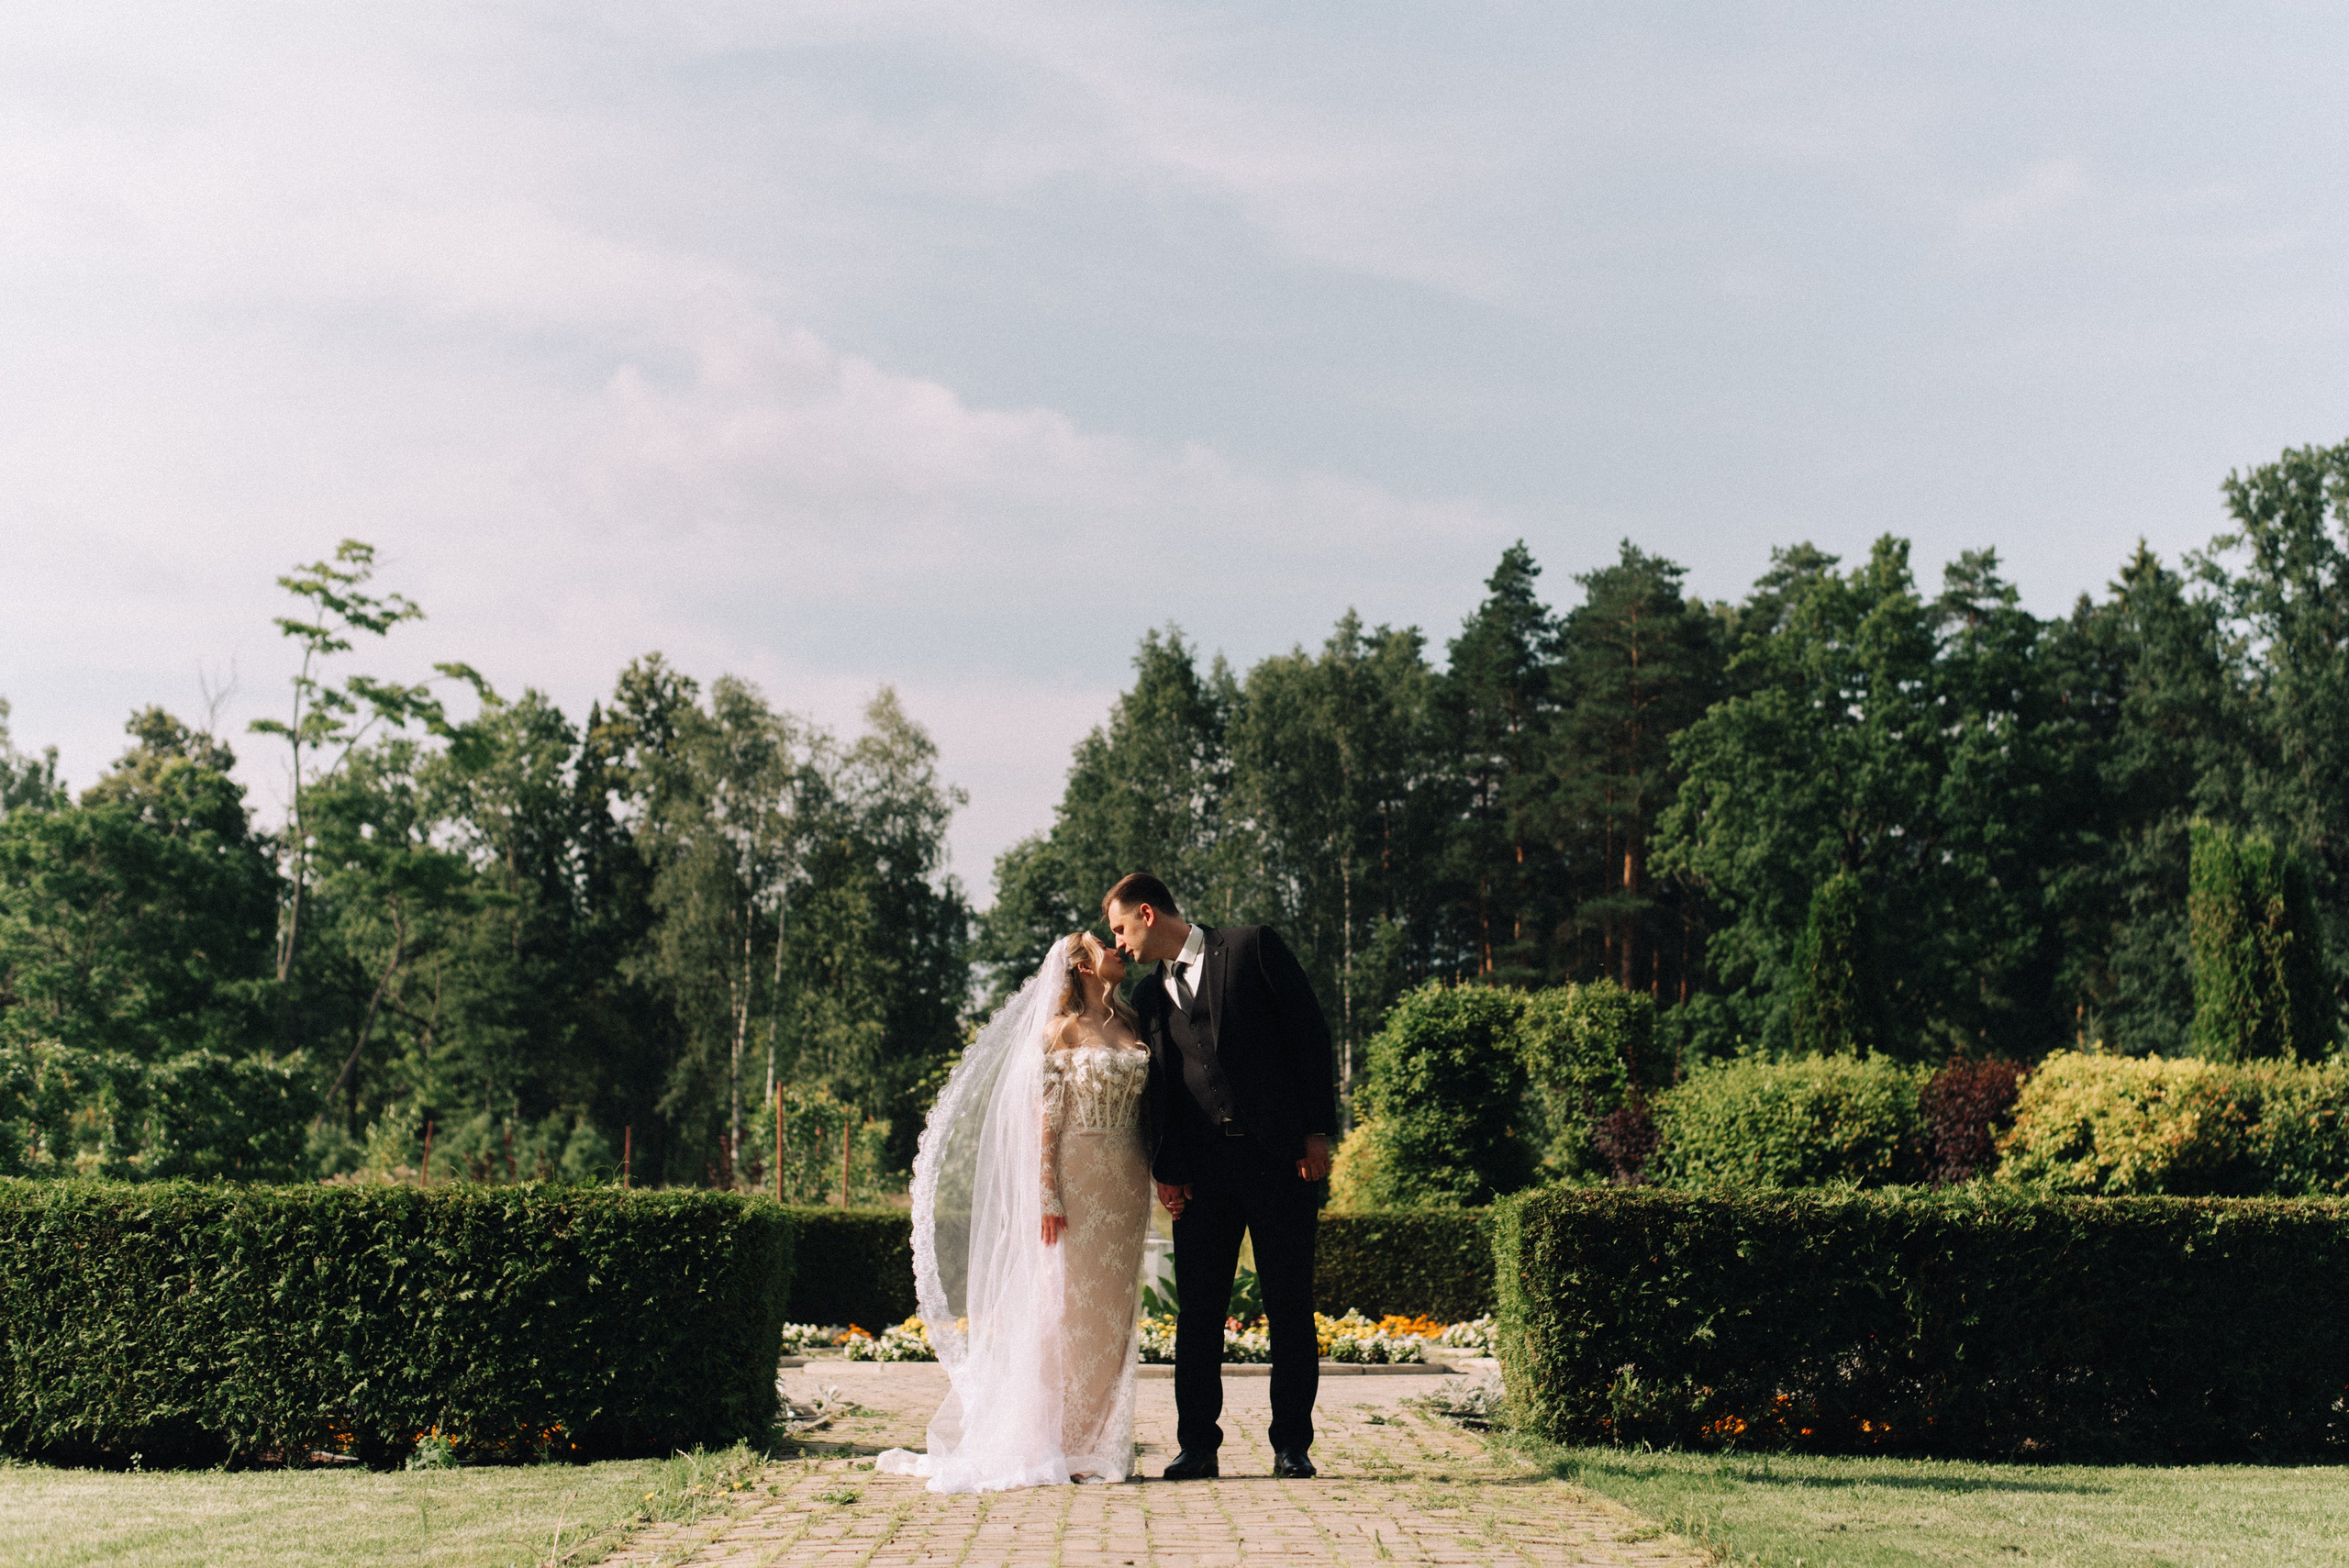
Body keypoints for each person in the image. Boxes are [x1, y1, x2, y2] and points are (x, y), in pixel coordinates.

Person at [877, 933, 1153, 1492]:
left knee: (1114, 1313)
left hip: (1128, 1181)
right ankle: (1058, 1440)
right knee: (1067, 1311)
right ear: (1080, 963)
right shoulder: (1062, 1030)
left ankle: (1101, 1444)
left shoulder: (1132, 1020)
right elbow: (1045, 1120)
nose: (1119, 948)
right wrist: (1046, 1192)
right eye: (1106, 944)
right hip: (1076, 1179)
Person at [1103, 872, 1336, 1482]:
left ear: (1148, 913)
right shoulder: (1152, 998)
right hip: (1202, 1175)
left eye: (1121, 928)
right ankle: (1197, 1445)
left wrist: (1316, 1132)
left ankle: (1292, 1444)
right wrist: (1166, 1169)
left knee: (1290, 1304)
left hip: (1280, 1161)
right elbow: (1162, 1096)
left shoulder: (1254, 946)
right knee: (1198, 1312)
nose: (1120, 944)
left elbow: (1310, 1037)